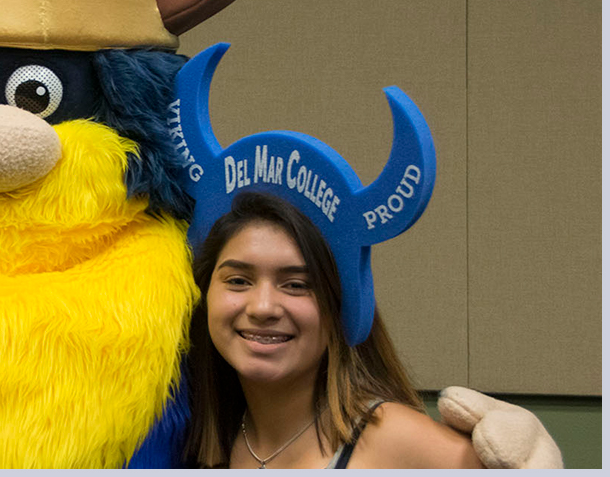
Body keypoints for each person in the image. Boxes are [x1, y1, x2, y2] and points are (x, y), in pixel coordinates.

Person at [184, 191, 483, 469]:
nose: (262, 308)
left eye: (296, 285)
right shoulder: (190, 436)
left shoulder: (399, 438)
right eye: (238, 281)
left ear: (340, 306)